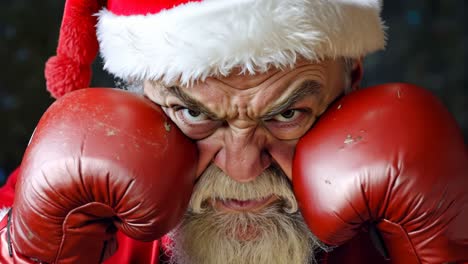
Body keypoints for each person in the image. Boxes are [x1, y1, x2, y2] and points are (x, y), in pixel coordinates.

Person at [1, 0, 467, 263]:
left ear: (351, 81)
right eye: (193, 114)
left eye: (288, 115)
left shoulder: (422, 187)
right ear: (141, 92)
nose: (243, 169)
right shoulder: (72, 189)